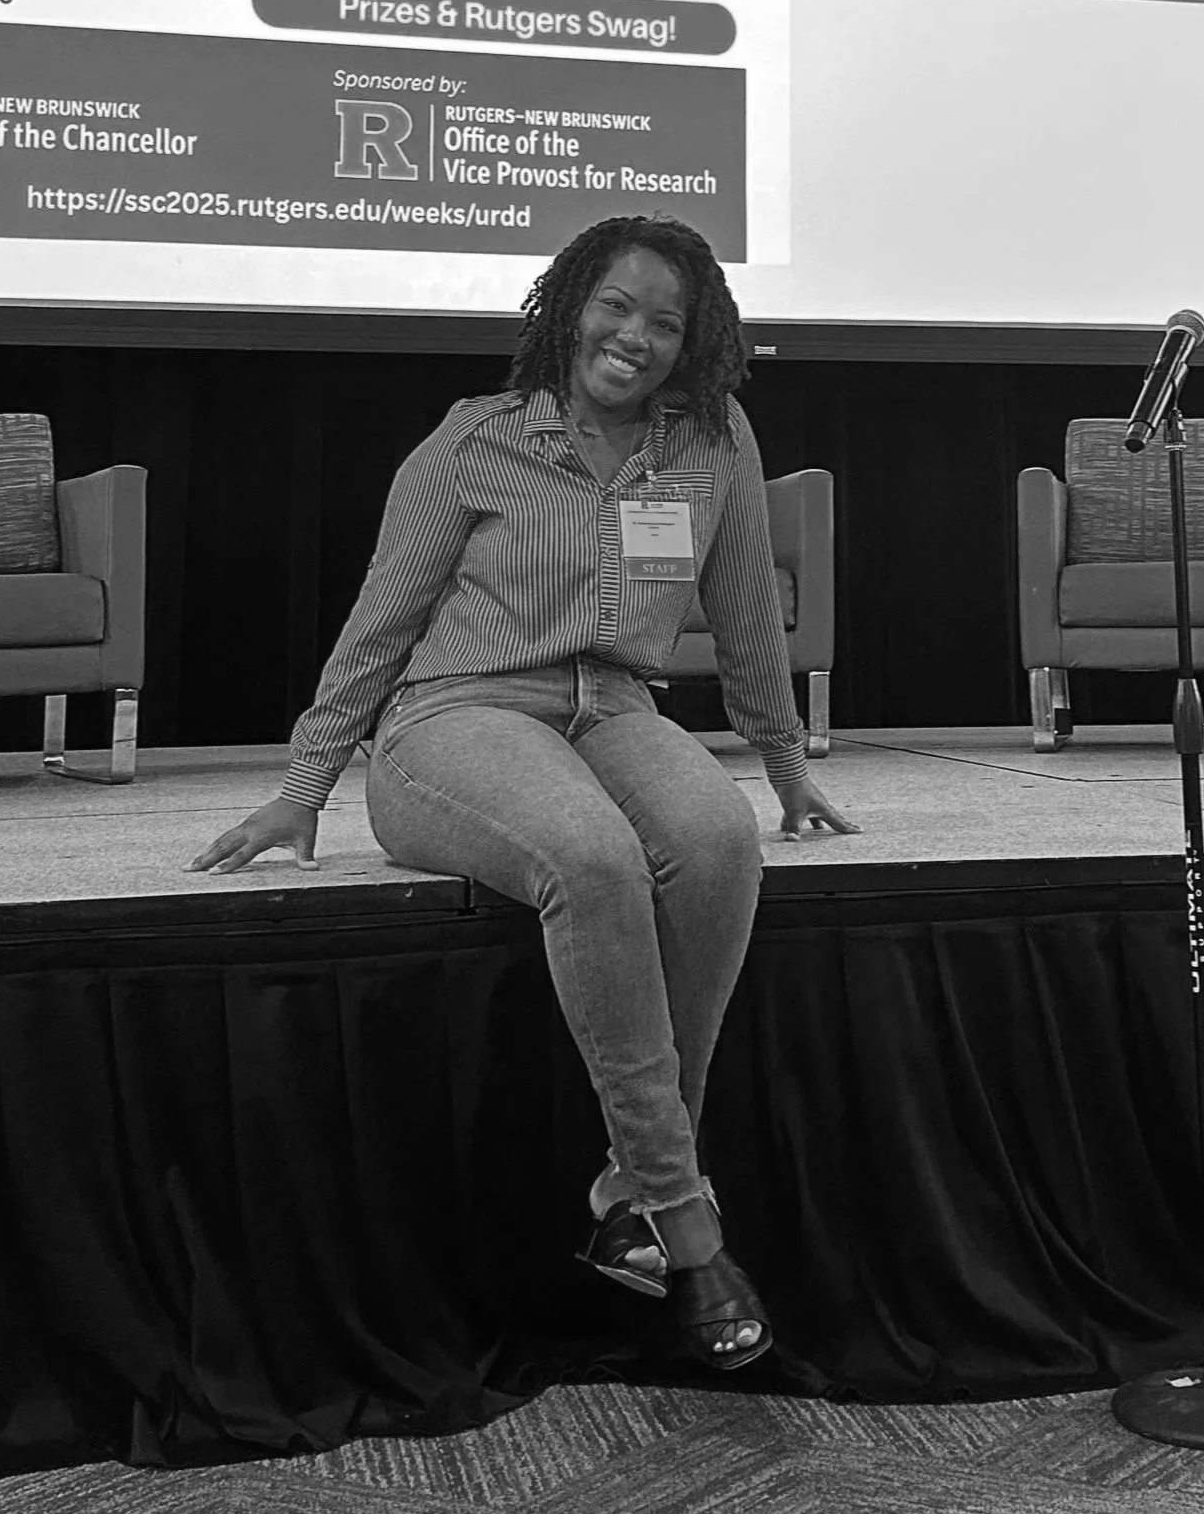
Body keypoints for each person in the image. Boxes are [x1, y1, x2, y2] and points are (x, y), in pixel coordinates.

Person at [192, 217, 857, 1370]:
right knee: (590, 857)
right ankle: (685, 1222)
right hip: (453, 717)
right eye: (615, 305)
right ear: (566, 306)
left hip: (616, 706)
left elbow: (748, 616)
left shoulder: (711, 441)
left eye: (665, 321)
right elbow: (380, 622)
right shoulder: (472, 442)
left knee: (715, 839)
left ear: (694, 343)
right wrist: (306, 782)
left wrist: (787, 770)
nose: (634, 336)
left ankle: (627, 1192)